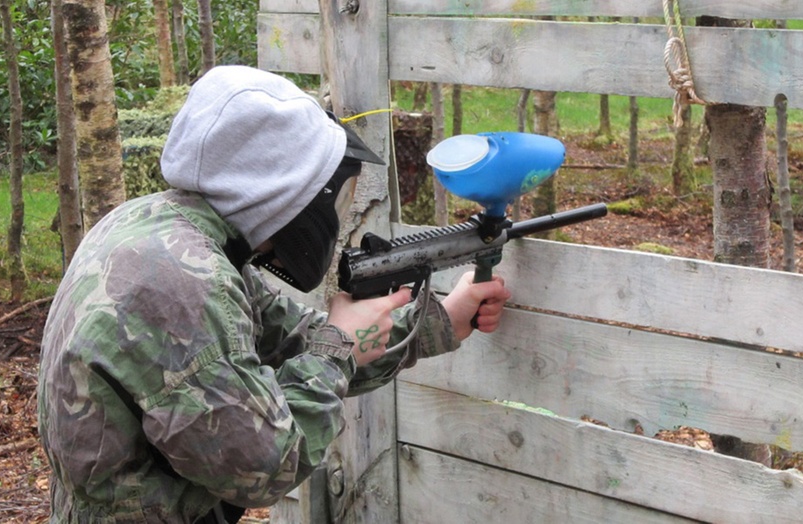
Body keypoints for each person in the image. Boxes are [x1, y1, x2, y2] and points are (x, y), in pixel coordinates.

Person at [37, 65, 511, 523]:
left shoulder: (175, 234)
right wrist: (336, 351)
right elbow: (263, 464)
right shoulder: (182, 283)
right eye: (328, 192)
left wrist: (440, 320)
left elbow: (292, 339)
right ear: (278, 186)